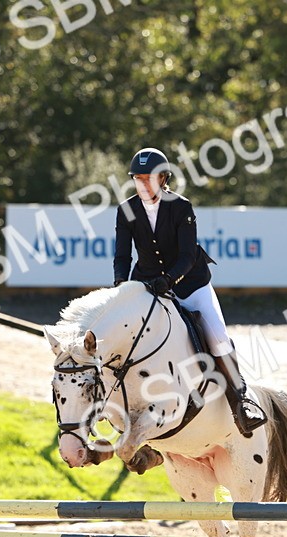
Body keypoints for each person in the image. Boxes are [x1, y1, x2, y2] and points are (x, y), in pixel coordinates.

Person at [112, 147, 266, 437]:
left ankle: (240, 402)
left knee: (218, 335)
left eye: (150, 178)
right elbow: (122, 256)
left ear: (164, 178)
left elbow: (187, 255)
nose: (143, 184)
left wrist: (168, 280)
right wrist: (121, 284)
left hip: (189, 281)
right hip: (146, 284)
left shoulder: (181, 207)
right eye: (138, 178)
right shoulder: (127, 210)